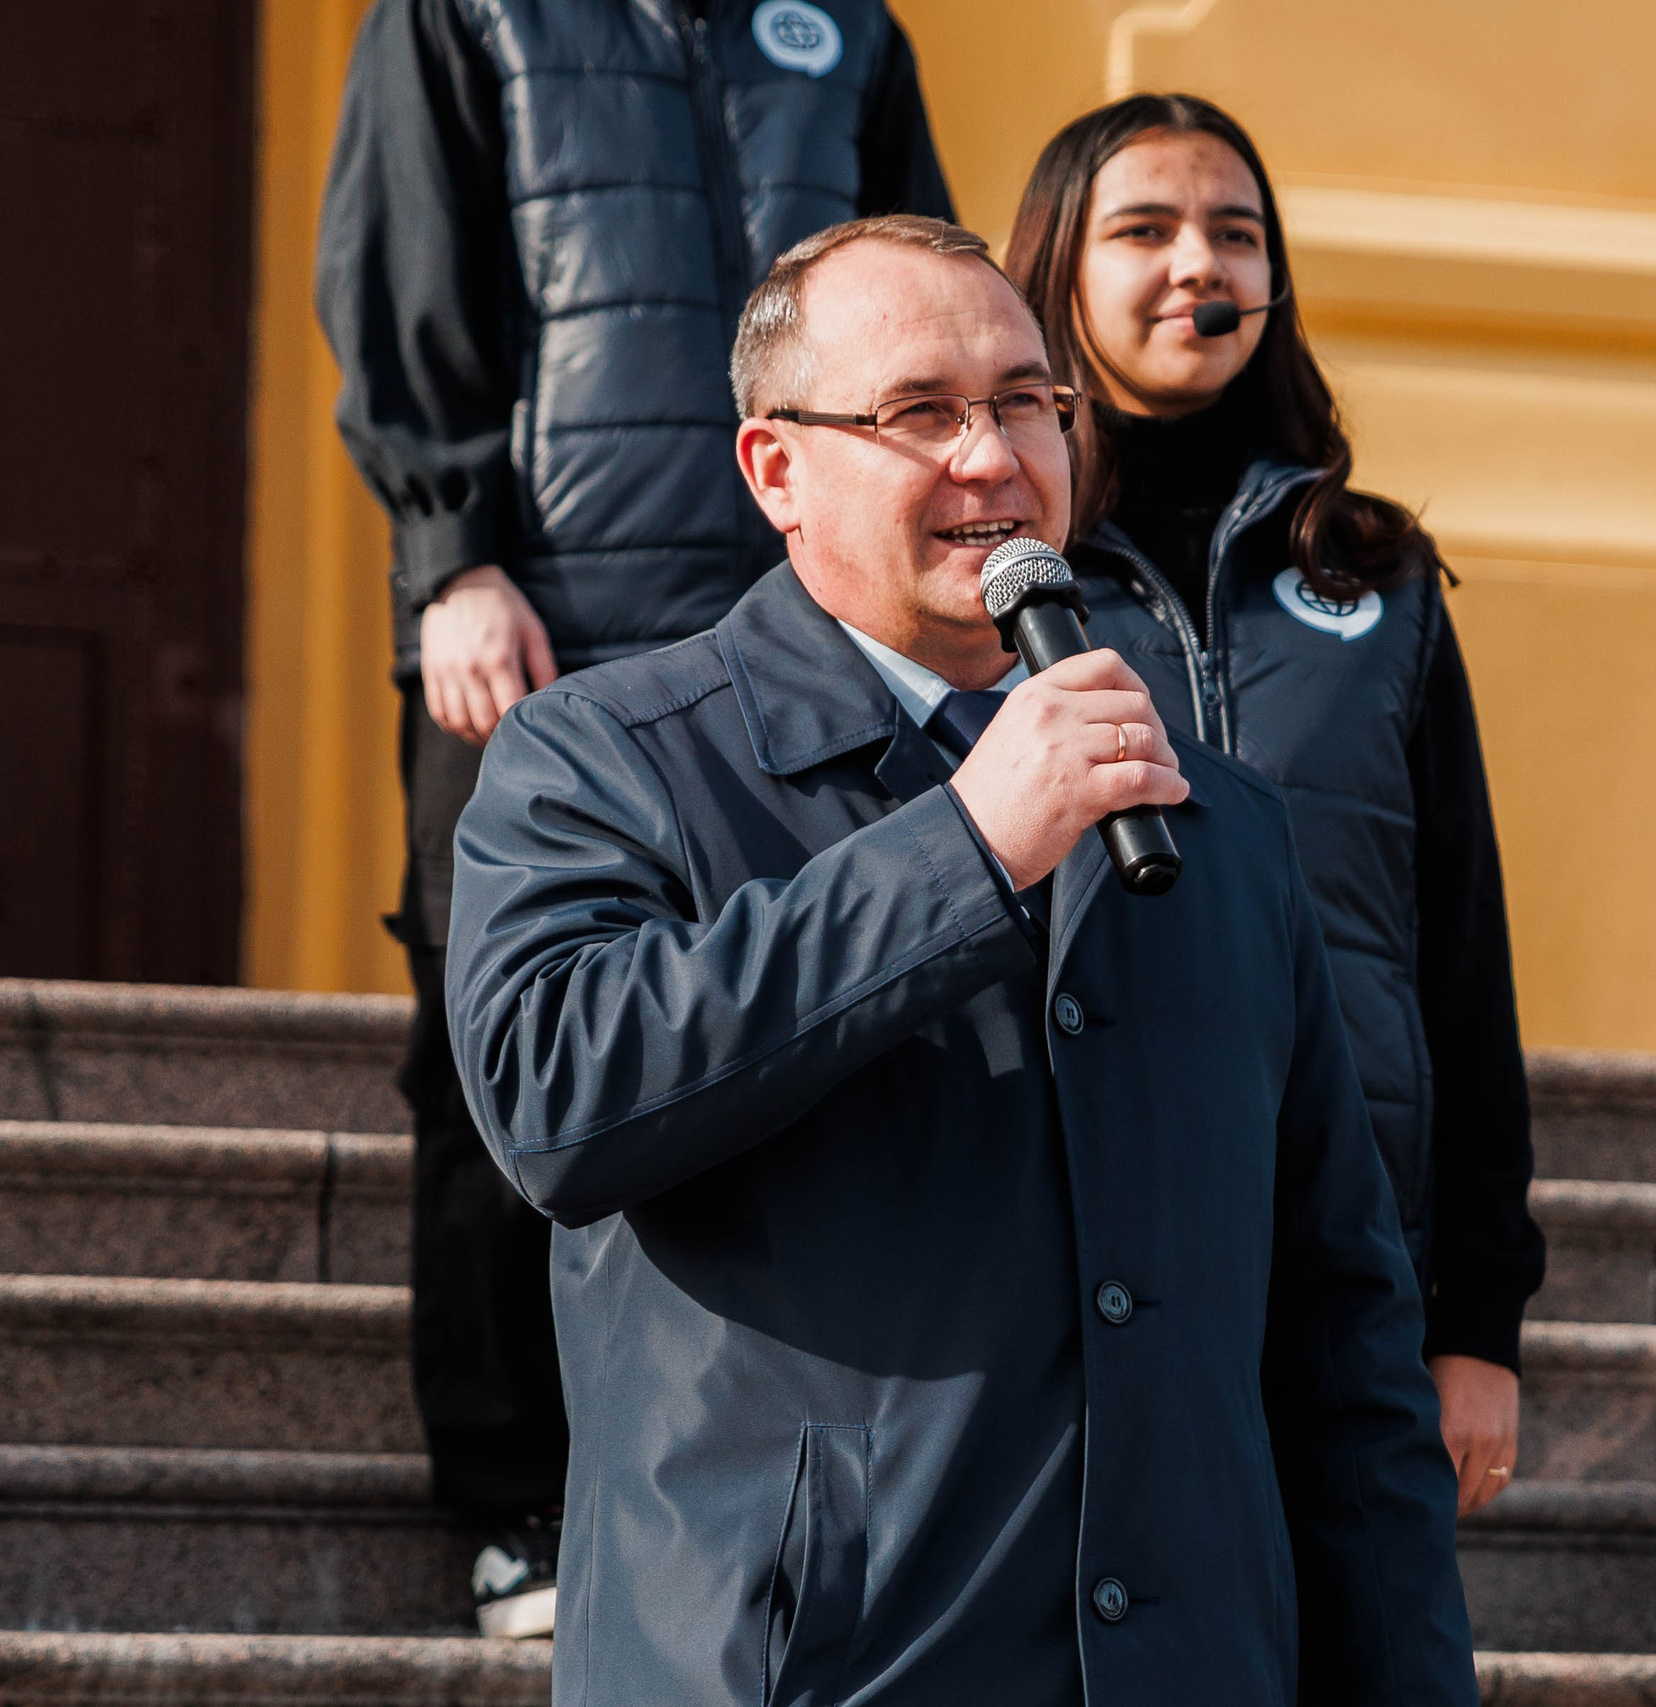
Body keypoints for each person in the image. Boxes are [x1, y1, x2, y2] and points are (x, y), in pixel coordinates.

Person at [443, 214, 1479, 1706]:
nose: (993, 457)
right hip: (804, 1671)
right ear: (775, 470)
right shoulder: (607, 758)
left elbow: (1344, 1346)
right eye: (922, 413)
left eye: (1025, 403)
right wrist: (965, 850)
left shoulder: (1218, 822)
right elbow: (558, 1098)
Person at [314, 0, 951, 1636]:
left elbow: (917, 278)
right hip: (542, 623)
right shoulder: (466, 15)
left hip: (800, 633)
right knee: (501, 1052)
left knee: (809, 1017)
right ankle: (516, 1496)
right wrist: (446, 554)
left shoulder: (843, 29)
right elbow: (402, 269)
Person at [1003, 94, 1545, 1517]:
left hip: (1352, 1240)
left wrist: (1479, 1321)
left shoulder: (1379, 574)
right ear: (1057, 268)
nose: (1201, 265)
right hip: (1083, 1236)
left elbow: (1466, 954)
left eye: (1236, 235)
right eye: (1147, 230)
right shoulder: (999, 580)